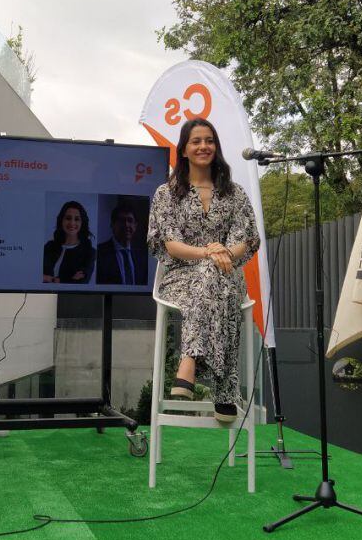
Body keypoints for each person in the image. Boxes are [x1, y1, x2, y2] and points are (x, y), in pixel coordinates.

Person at [147, 118, 260, 422]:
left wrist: (221, 254)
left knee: (215, 277)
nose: (203, 146)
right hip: (179, 278)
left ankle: (189, 361)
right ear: (183, 149)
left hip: (227, 275)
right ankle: (224, 390)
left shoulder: (234, 194)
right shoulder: (166, 193)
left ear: (216, 147)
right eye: (196, 141)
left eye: (209, 140)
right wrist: (211, 251)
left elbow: (247, 240)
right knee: (212, 277)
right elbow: (171, 244)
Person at [42, 200, 95, 284]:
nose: (72, 223)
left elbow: (81, 282)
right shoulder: (49, 246)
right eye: (68, 218)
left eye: (77, 219)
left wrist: (51, 279)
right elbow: (34, 274)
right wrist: (69, 279)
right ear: (61, 220)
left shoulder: (89, 252)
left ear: (82, 223)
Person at [96, 202, 149, 285]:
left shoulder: (143, 256)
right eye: (121, 220)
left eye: (130, 220)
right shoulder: (98, 253)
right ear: (112, 225)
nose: (126, 225)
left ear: (135, 226)